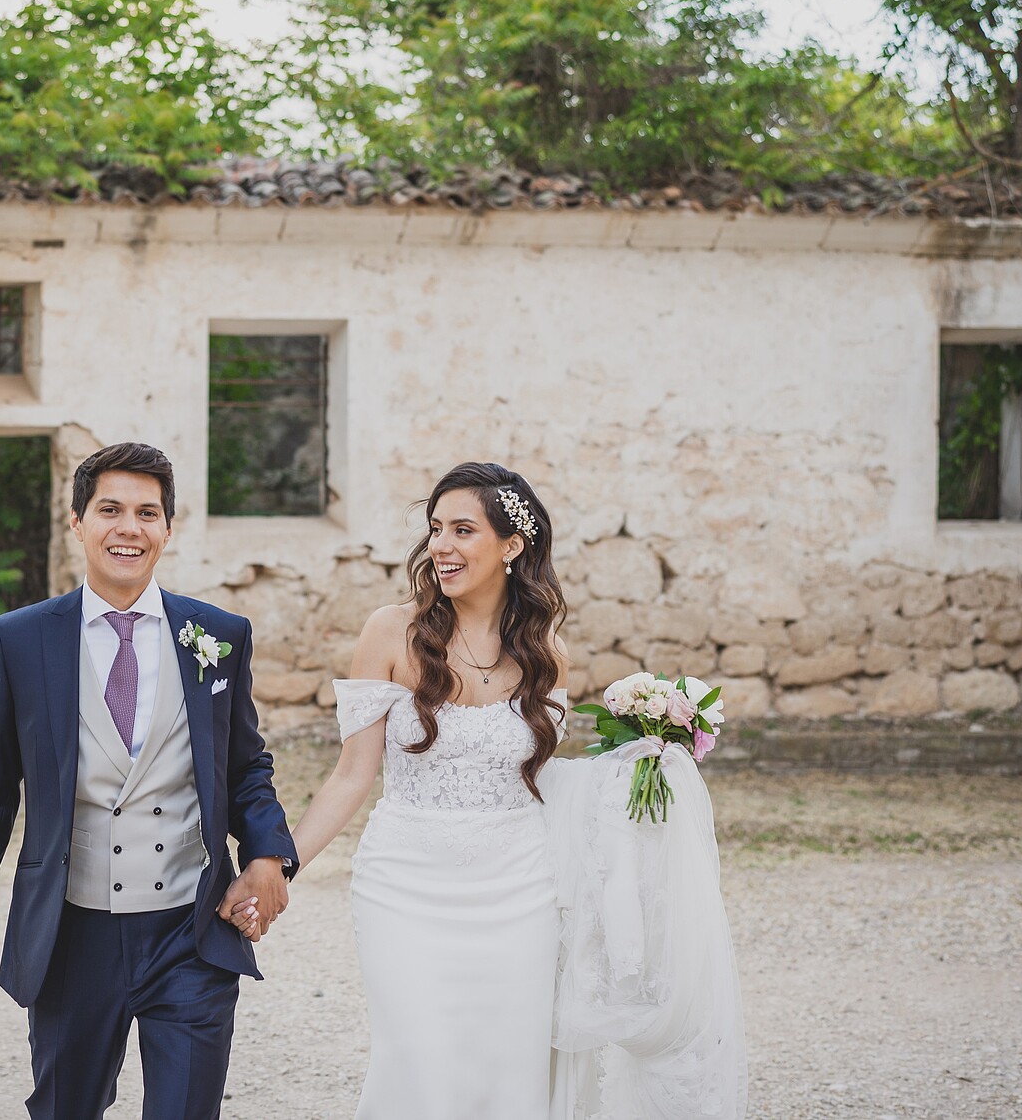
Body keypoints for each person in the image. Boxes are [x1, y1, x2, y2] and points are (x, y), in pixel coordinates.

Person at [241, 461, 745, 1119]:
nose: (441, 546)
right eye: (435, 529)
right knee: (416, 1056)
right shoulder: (390, 631)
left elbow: (545, 780)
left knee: (508, 1070)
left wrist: (646, 756)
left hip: (519, 888)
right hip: (403, 882)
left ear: (512, 545)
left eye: (462, 530)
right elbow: (351, 774)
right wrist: (278, 868)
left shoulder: (545, 651)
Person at [0, 441, 298, 1120]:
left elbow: (246, 765)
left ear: (167, 528)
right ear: (77, 521)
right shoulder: (22, 639)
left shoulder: (218, 635)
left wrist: (269, 854)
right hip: (72, 937)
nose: (130, 528)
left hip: (189, 932)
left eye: (147, 513)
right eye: (110, 510)